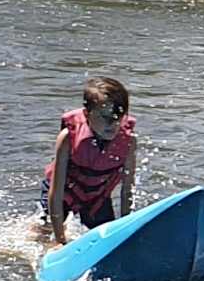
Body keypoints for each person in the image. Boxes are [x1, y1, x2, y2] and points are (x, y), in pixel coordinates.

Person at [32, 76, 136, 243]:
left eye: (118, 116)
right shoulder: (68, 138)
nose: (113, 123)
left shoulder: (129, 141)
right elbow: (56, 191)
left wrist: (128, 230)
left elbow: (127, 190)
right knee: (43, 234)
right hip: (64, 193)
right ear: (87, 113)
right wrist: (60, 241)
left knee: (105, 237)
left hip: (97, 196)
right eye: (105, 116)